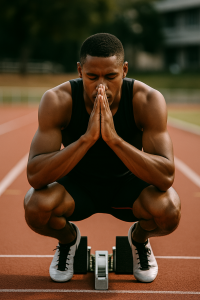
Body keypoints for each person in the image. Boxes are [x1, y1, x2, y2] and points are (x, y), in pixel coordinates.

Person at [24, 33, 181, 283]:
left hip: (128, 189)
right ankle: (68, 241)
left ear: (125, 70)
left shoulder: (147, 100)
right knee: (35, 206)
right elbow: (35, 176)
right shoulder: (57, 100)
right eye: (91, 77)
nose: (101, 86)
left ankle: (138, 240)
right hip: (76, 189)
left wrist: (113, 139)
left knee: (169, 209)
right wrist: (86, 139)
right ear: (79, 70)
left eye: (110, 76)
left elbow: (165, 177)